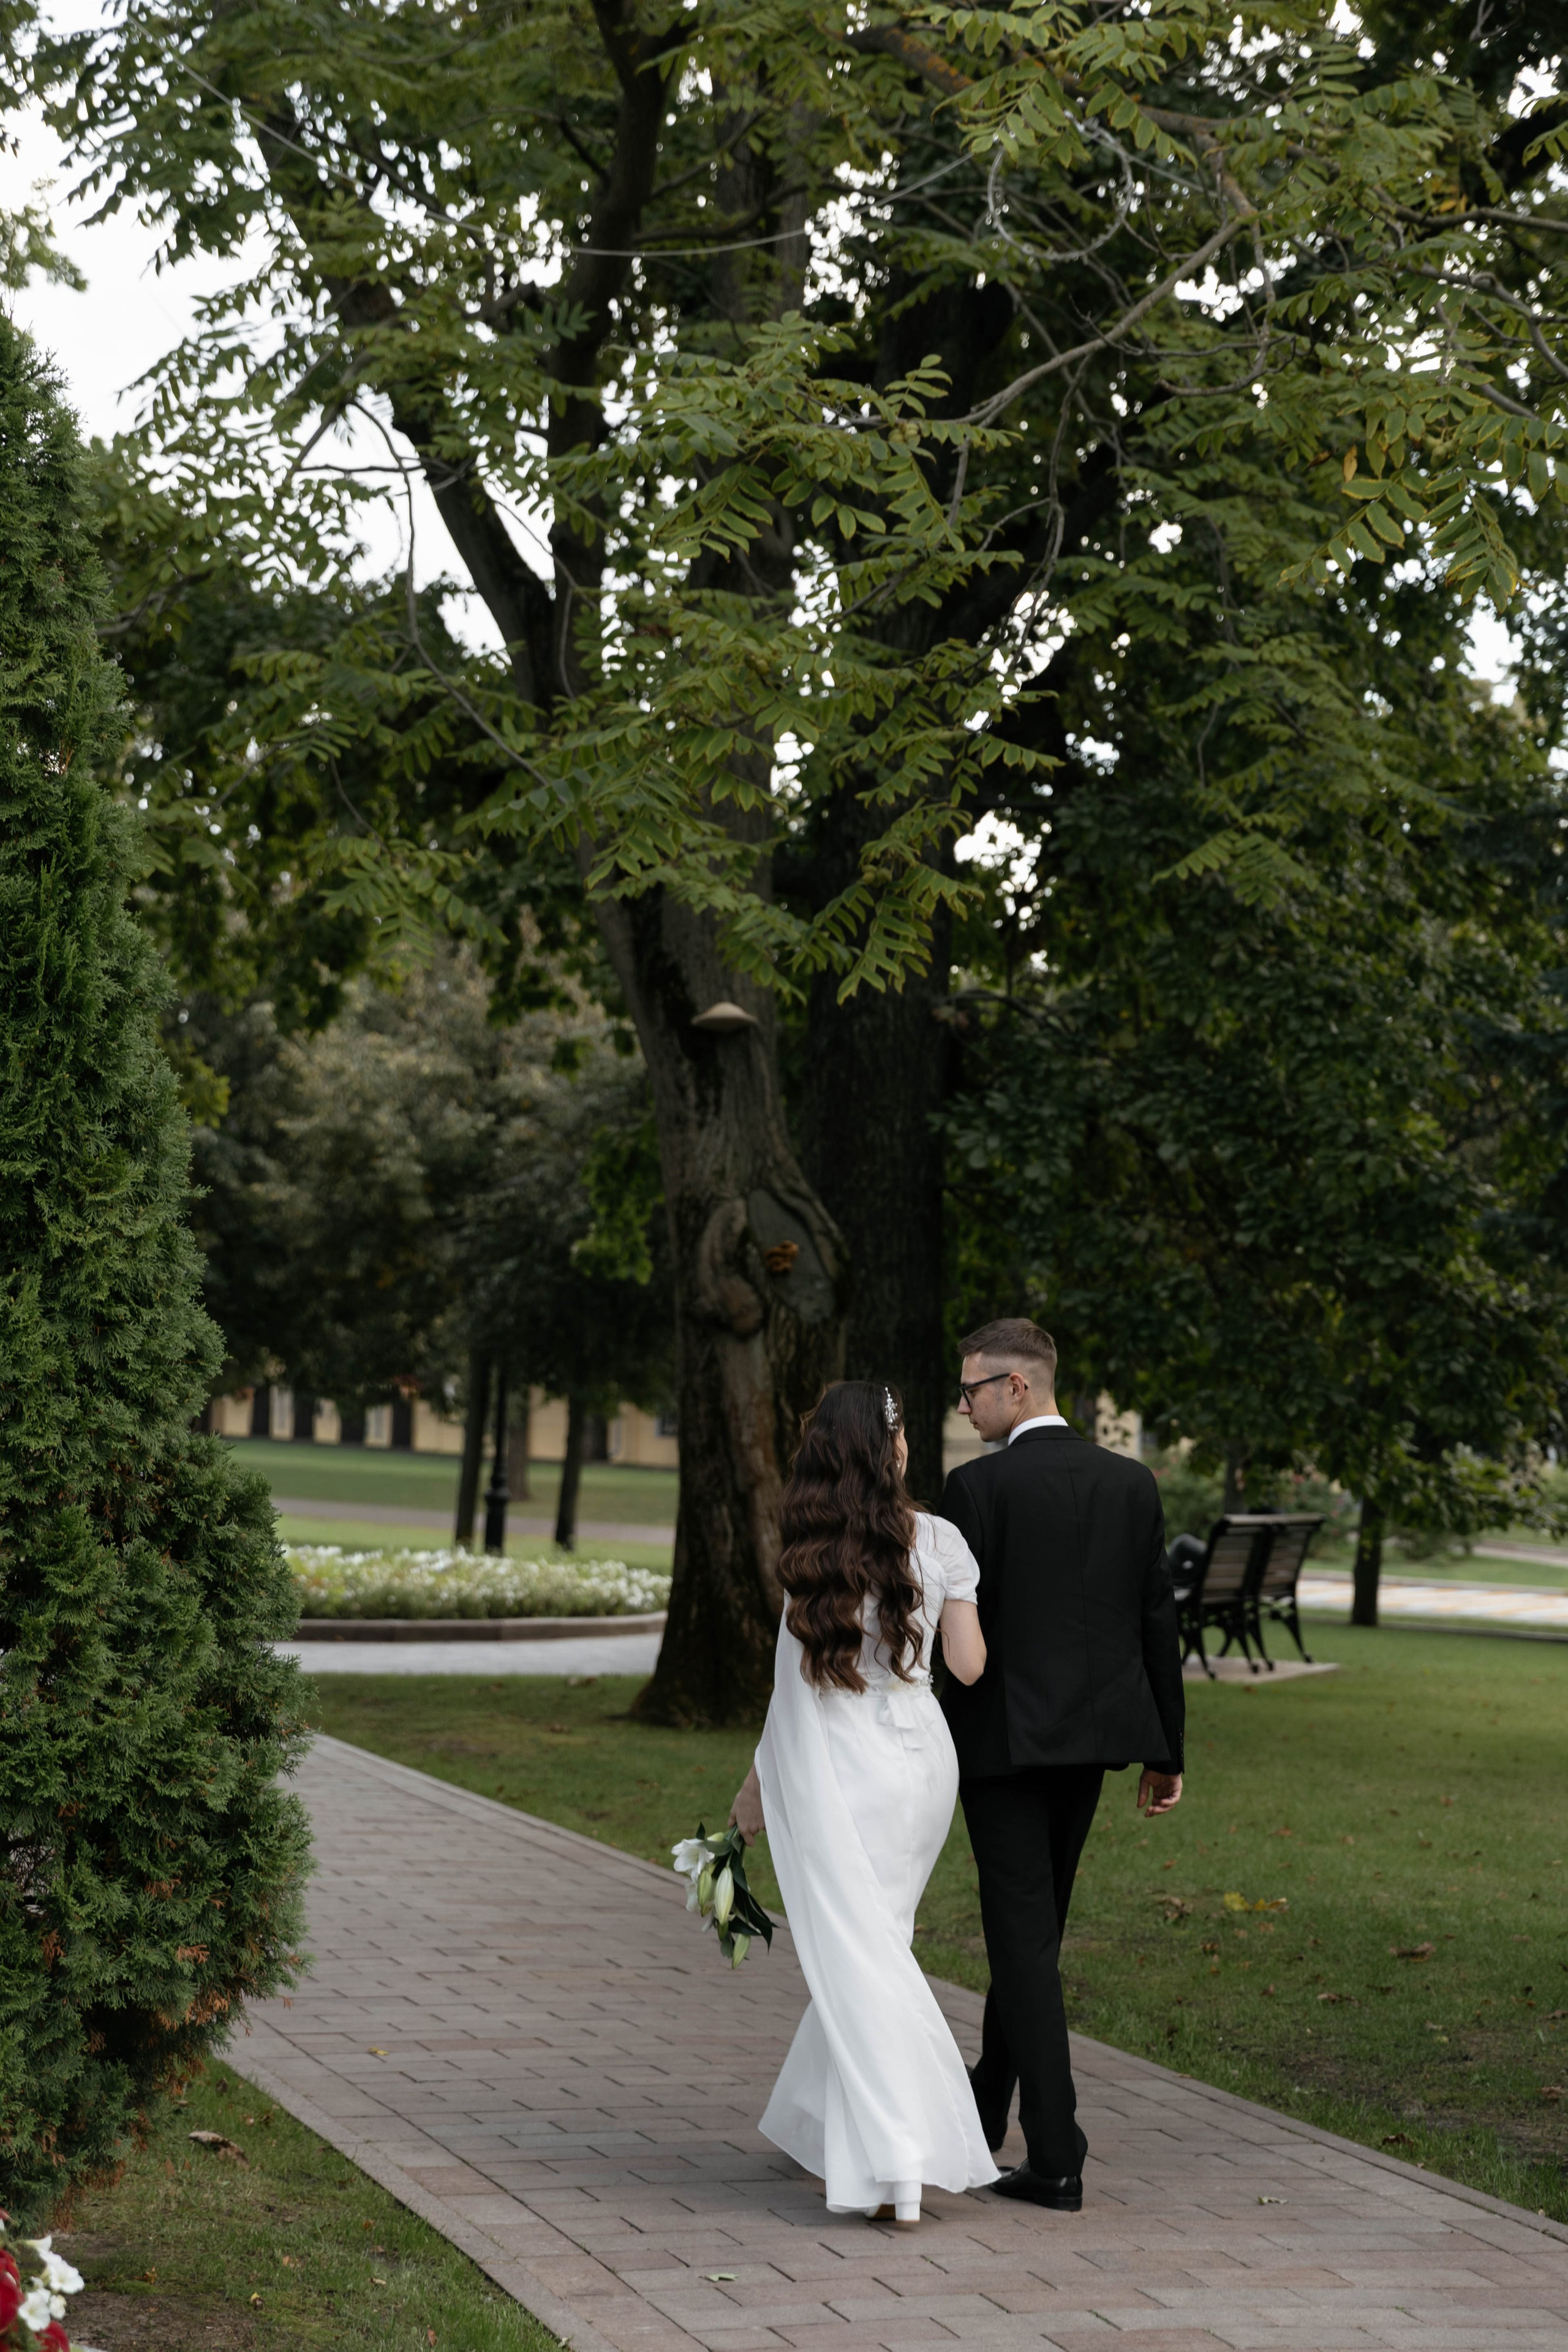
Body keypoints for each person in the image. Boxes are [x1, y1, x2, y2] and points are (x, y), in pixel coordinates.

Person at [728, 1381, 1000, 2227]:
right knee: (879, 1946)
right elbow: (968, 1669)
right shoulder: (942, 1540)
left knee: (862, 1952)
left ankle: (895, 2164)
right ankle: (829, 2129)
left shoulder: (809, 1550)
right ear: (890, 1450)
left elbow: (790, 1692)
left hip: (838, 1765)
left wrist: (755, 1791)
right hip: (920, 1764)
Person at [937, 1317, 1184, 2213]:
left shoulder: (977, 1488)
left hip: (1002, 1748)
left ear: (1019, 1388)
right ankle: (985, 2100)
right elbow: (1158, 1620)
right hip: (1093, 1746)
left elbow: (954, 1633)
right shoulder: (1130, 1483)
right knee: (1031, 1939)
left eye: (972, 1389)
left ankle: (1055, 2153)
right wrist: (1165, 1751)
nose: (962, 1404)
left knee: (1024, 1941)